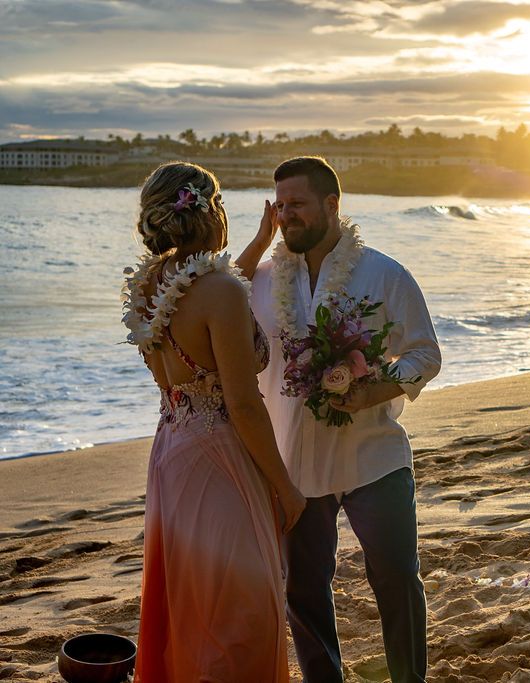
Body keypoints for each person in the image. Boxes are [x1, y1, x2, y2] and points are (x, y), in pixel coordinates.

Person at [237, 156, 441, 683]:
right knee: (304, 590)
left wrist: (376, 389)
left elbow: (425, 354)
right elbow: (219, 298)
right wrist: (258, 243)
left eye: (298, 204)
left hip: (373, 456)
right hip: (296, 464)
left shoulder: (384, 273)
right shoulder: (261, 280)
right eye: (279, 205)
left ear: (332, 205)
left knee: (397, 577)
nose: (286, 215)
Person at [122, 162, 306, 681]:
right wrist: (286, 488)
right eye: (220, 203)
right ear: (209, 211)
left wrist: (259, 243)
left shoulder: (150, 285)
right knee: (242, 612)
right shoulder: (218, 290)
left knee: (193, 602)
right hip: (219, 458)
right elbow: (243, 405)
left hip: (171, 454)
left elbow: (206, 300)